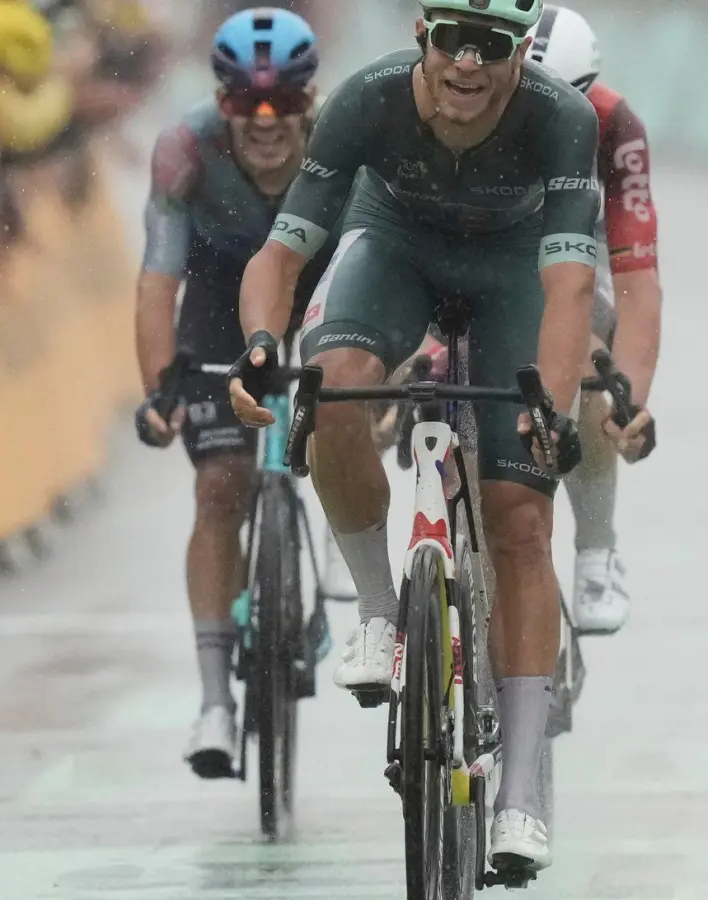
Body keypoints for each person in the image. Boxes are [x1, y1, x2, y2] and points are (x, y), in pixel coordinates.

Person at [229, 0, 597, 872]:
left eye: (494, 44)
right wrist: (256, 350)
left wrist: (549, 404)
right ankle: (382, 614)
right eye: (451, 40)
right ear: (422, 36)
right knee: (334, 392)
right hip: (394, 248)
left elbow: (570, 285)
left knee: (521, 519)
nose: (469, 64)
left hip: (515, 271)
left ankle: (522, 796)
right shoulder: (369, 100)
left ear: (521, 49)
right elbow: (282, 255)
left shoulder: (561, 117)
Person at [132, 6, 325, 780]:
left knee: (353, 417)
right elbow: (157, 282)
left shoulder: (342, 147)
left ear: (313, 100)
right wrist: (161, 387)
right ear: (221, 102)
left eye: (284, 103)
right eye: (247, 102)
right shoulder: (184, 151)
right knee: (219, 490)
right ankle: (215, 701)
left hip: (318, 294)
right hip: (214, 304)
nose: (268, 120)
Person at [524, 3, 660, 634]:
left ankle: (596, 549)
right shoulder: (462, 97)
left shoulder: (615, 123)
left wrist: (628, 398)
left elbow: (637, 283)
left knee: (587, 361)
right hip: (491, 241)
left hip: (586, 245)